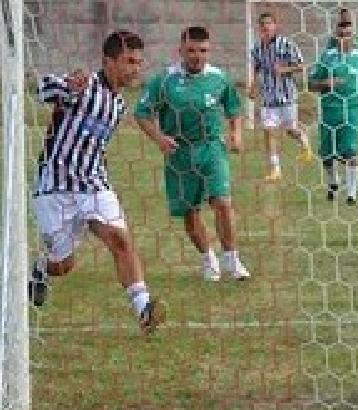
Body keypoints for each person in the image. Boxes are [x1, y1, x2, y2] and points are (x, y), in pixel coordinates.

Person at [29, 31, 165, 334]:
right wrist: (65, 84)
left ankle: (144, 308)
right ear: (109, 61)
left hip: (94, 184)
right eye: (129, 61)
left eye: (140, 62)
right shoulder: (85, 84)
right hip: (57, 187)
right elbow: (42, 90)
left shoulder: (118, 106)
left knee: (120, 239)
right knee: (63, 265)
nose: (136, 68)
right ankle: (41, 270)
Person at [134, 26, 250, 282]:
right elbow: (142, 114)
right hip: (179, 152)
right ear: (181, 50)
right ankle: (208, 258)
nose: (197, 56)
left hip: (211, 148)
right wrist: (159, 138)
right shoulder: (165, 80)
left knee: (222, 202)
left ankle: (232, 258)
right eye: (191, 50)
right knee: (190, 211)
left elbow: (234, 109)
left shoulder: (218, 78)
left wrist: (236, 133)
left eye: (203, 50)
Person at [308, 20, 358, 205]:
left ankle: (352, 194)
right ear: (335, 37)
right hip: (329, 110)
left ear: (353, 36)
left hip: (352, 110)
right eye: (341, 35)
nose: (344, 38)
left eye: (348, 35)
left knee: (351, 152)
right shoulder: (326, 58)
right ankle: (332, 182)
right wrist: (326, 84)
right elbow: (310, 83)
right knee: (328, 154)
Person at [249, 12, 314, 182]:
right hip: (269, 97)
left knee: (290, 130)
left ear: (275, 25)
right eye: (263, 24)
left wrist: (284, 70)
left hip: (287, 96)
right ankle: (275, 170)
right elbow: (257, 67)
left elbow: (301, 65)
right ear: (259, 27)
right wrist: (253, 86)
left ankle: (305, 142)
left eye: (269, 23)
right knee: (269, 131)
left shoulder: (286, 44)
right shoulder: (257, 48)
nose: (266, 27)